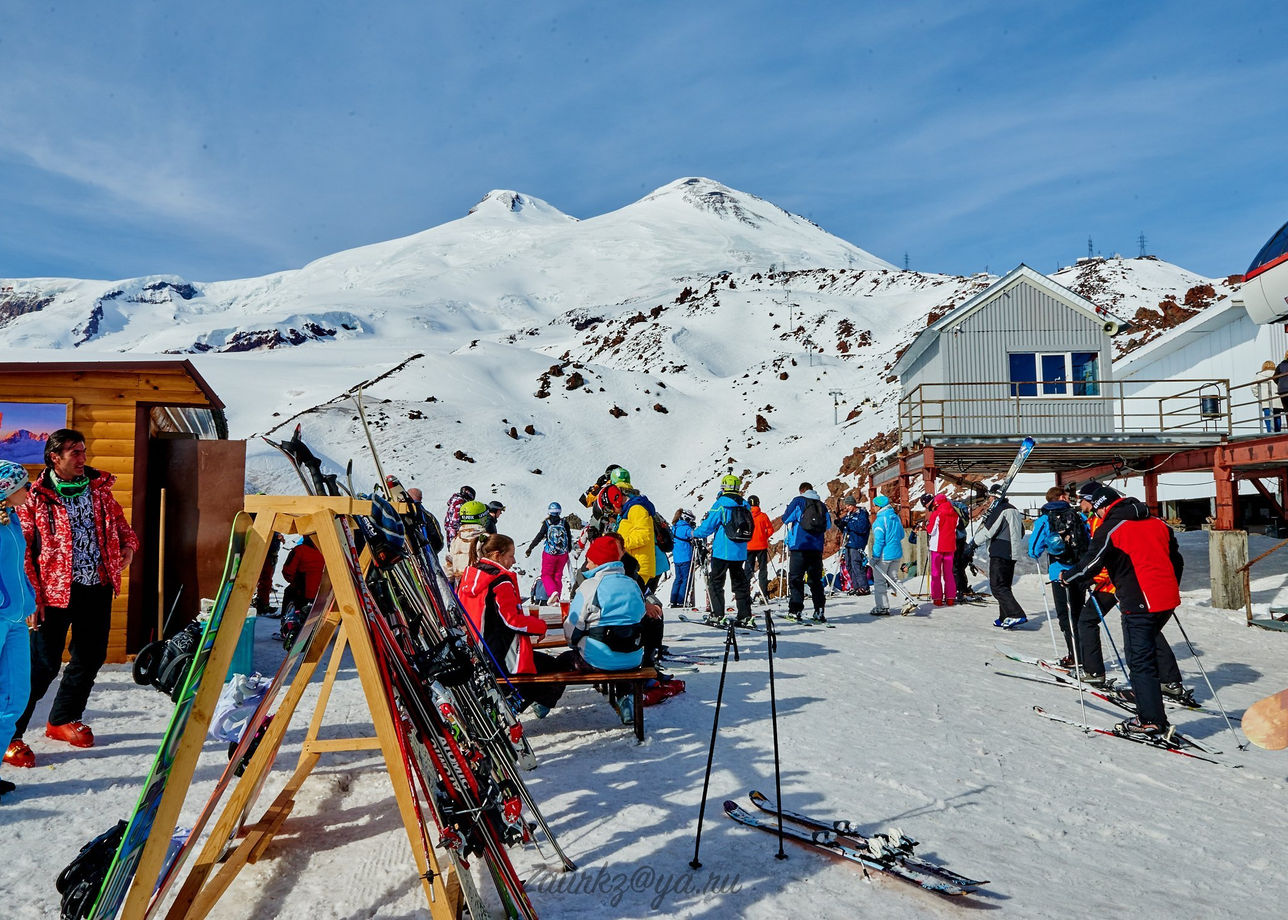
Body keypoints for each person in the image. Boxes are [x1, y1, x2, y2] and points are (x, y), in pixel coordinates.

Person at [8, 429, 139, 762]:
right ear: (55, 458)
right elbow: (21, 552)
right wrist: (32, 599)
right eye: (74, 453)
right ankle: (10, 734)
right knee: (41, 666)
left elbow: (124, 527)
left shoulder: (99, 491)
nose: (82, 458)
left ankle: (63, 718)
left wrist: (128, 548)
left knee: (90, 657)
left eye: (83, 451)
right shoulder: (34, 498)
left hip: (96, 588)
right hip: (51, 594)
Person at [1060, 485, 1187, 738]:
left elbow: (1091, 564)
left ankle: (1150, 719)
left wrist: (1068, 577)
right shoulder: (1157, 522)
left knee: (1139, 660)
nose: (1097, 514)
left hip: (1139, 600)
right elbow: (1177, 559)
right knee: (1149, 644)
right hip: (1165, 597)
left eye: (1097, 510)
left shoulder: (1113, 527)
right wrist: (1169, 586)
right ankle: (1153, 692)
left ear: (1104, 507)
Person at [459, 534, 569, 717]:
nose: (514, 560)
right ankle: (511, 712)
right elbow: (512, 620)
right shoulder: (500, 581)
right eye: (510, 555)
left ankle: (510, 708)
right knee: (555, 668)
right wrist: (539, 626)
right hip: (503, 655)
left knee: (543, 667)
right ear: (497, 555)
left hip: (478, 651)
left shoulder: (471, 575)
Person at [0, 462, 36, 795]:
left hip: (15, 619)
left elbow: (16, 566)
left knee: (15, 696)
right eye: (24, 485)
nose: (30, 488)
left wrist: (28, 604)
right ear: (6, 490)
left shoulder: (10, 518)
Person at [1027, 486, 1089, 666]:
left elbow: (1033, 549)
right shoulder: (1079, 516)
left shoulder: (1045, 518)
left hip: (1059, 573)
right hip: (1080, 570)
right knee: (1078, 613)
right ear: (1061, 497)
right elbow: (1089, 538)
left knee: (1065, 615)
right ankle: (1087, 655)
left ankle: (1075, 656)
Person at [693, 475, 755, 626]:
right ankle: (745, 616)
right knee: (740, 583)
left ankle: (717, 614)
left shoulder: (721, 504)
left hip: (722, 550)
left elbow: (708, 526)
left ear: (724, 487)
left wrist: (694, 533)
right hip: (740, 550)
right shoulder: (745, 505)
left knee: (716, 582)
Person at [974, 485, 1027, 627]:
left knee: (997, 586)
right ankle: (1004, 616)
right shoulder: (1014, 509)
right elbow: (1021, 531)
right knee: (1005, 586)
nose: (989, 500)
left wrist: (972, 545)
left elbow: (988, 531)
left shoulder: (1000, 509)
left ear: (995, 496)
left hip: (1000, 551)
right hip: (1012, 552)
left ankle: (1016, 614)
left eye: (990, 497)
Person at [781, 482, 831, 623]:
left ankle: (795, 610)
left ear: (801, 490)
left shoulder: (799, 501)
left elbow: (786, 518)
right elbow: (828, 525)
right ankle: (819, 610)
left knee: (796, 579)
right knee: (815, 581)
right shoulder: (821, 505)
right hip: (816, 548)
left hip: (799, 546)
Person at [613, 469, 660, 592]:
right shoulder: (628, 510)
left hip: (639, 567)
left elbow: (644, 535)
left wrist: (619, 545)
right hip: (633, 565)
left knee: (636, 606)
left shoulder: (636, 508)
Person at [525, 503, 573, 605]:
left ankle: (552, 593)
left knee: (546, 575)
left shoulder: (547, 523)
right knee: (558, 576)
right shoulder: (564, 523)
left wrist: (530, 547)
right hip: (562, 555)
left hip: (549, 554)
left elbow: (539, 536)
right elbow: (569, 537)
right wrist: (568, 550)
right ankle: (557, 599)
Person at [869, 496, 906, 615]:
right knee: (894, 578)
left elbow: (879, 541)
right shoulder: (896, 517)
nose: (873, 507)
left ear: (879, 506)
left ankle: (882, 606)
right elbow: (901, 535)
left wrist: (875, 557)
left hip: (884, 555)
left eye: (875, 505)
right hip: (896, 552)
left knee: (879, 580)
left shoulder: (879, 521)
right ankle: (907, 599)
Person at [924, 494, 958, 606]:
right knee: (949, 573)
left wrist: (926, 526)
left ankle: (937, 598)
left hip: (937, 547)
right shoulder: (954, 513)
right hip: (950, 546)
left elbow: (931, 530)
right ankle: (950, 598)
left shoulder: (937, 513)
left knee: (936, 573)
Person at [444, 500, 489, 585]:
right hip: (481, 588)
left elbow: (449, 568)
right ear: (482, 517)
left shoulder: (456, 540)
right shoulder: (486, 539)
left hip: (461, 589)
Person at [835, 497, 871, 596]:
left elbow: (862, 528)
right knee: (848, 565)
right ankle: (856, 586)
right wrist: (840, 525)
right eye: (846, 505)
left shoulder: (861, 514)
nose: (847, 507)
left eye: (849, 505)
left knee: (856, 564)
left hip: (857, 542)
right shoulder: (849, 515)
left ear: (854, 504)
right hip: (848, 542)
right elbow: (845, 526)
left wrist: (848, 524)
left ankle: (864, 587)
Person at [744, 496, 775, 601]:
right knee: (763, 570)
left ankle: (746, 596)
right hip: (761, 546)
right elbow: (770, 529)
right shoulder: (763, 516)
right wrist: (764, 536)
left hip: (748, 546)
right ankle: (764, 595)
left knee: (748, 571)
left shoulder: (745, 515)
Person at [669, 509, 696, 607]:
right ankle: (681, 601)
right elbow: (694, 535)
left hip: (677, 558)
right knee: (686, 579)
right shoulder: (686, 528)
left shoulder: (675, 527)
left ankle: (673, 600)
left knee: (678, 579)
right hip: (686, 557)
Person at [1254, 360, 1281, 433]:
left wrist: (1259, 396)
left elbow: (1253, 387)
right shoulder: (1278, 374)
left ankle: (1270, 432)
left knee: (1268, 416)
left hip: (1266, 400)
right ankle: (1279, 433)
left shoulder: (1259, 376)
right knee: (1277, 416)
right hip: (1277, 399)